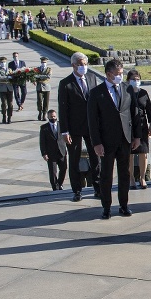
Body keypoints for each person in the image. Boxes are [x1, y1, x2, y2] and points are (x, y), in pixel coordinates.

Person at [87, 59, 141, 219]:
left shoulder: (128, 89)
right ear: (109, 74)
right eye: (117, 74)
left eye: (121, 73)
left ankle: (124, 205)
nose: (120, 76)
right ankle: (106, 207)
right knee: (106, 175)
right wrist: (96, 143)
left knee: (125, 173)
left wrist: (137, 136)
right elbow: (92, 120)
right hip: (106, 140)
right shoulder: (97, 93)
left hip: (125, 139)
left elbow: (135, 113)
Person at [58, 52, 100, 201]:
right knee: (74, 159)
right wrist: (64, 131)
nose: (83, 67)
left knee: (95, 157)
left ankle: (97, 187)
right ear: (73, 65)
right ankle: (77, 190)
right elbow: (63, 109)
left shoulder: (92, 77)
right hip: (74, 128)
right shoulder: (65, 83)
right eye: (80, 64)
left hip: (91, 126)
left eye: (85, 64)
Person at [126, 70, 151, 190]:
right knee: (130, 154)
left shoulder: (143, 93)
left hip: (142, 124)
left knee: (143, 152)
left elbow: (149, 110)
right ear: (128, 80)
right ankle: (131, 178)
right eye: (133, 79)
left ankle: (142, 178)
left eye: (138, 79)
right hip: (129, 125)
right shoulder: (126, 92)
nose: (136, 81)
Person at [40, 108, 67, 191]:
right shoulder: (44, 128)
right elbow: (42, 142)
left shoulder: (61, 125)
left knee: (64, 169)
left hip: (61, 151)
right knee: (53, 172)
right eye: (51, 117)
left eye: (54, 117)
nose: (53, 119)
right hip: (51, 153)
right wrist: (44, 153)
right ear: (48, 117)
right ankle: (55, 187)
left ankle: (60, 183)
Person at [0, 56, 14, 123]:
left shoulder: (9, 69)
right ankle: (4, 116)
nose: (3, 63)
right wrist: (8, 77)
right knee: (4, 103)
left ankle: (9, 117)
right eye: (2, 62)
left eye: (4, 62)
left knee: (10, 104)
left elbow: (13, 77)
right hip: (2, 88)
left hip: (9, 88)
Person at [35, 56, 52, 121]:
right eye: (42, 62)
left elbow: (48, 76)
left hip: (46, 87)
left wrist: (39, 76)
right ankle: (40, 112)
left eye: (44, 62)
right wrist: (39, 77)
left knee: (46, 102)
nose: (43, 63)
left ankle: (44, 114)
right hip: (39, 87)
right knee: (39, 101)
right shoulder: (37, 69)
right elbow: (35, 76)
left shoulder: (49, 69)